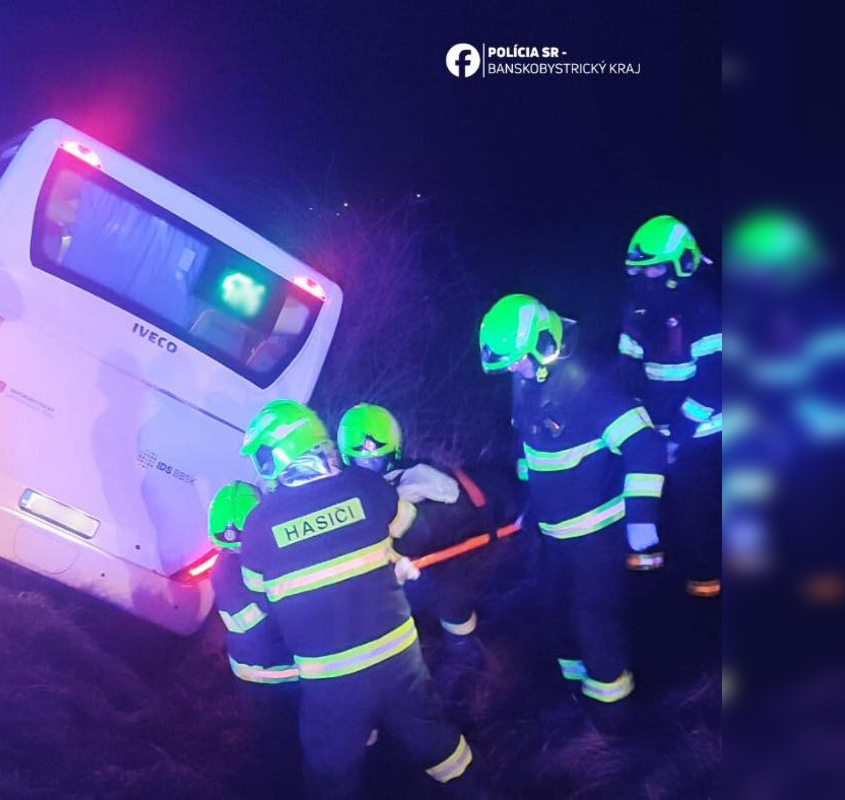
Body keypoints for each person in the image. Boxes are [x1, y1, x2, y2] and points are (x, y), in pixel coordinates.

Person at [237, 399, 484, 799]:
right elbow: (416, 533)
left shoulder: (258, 526)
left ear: (281, 453)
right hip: (399, 660)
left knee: (330, 772)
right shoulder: (367, 487)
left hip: (331, 680)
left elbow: (261, 597)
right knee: (437, 741)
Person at [479, 294, 667, 717]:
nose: (512, 368)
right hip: (553, 534)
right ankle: (573, 697)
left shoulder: (589, 386)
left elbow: (646, 447)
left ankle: (612, 723)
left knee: (595, 621)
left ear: (546, 343)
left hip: (596, 537)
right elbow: (532, 451)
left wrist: (641, 518)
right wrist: (531, 505)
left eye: (518, 360)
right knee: (554, 613)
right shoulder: (526, 381)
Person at [336, 403, 521, 658]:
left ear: (393, 452)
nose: (370, 465)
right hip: (402, 578)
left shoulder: (417, 479)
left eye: (377, 459)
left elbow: (430, 526)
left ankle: (467, 659)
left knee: (449, 592)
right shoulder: (342, 492)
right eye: (362, 460)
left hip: (439, 567)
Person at [618, 215, 722, 595]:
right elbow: (626, 369)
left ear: (683, 264)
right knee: (662, 517)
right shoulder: (638, 307)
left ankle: (707, 595)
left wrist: (678, 436)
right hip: (655, 434)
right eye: (641, 270)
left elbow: (715, 383)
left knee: (698, 520)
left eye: (656, 268)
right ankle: (661, 595)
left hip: (702, 437)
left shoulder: (703, 308)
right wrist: (637, 429)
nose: (648, 277)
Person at [207, 480, 301, 797]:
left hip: (254, 680)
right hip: (282, 678)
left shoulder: (222, 568)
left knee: (272, 750)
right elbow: (266, 625)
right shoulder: (245, 567)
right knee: (288, 753)